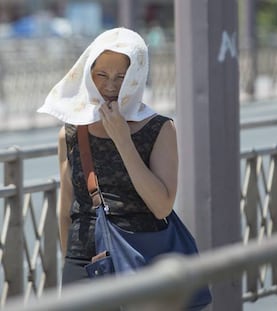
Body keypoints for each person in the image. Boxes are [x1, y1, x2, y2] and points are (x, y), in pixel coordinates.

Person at [37, 27, 178, 285]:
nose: (110, 86)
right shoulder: (70, 133)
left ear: (137, 75)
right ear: (88, 74)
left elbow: (162, 207)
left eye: (122, 76)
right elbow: (66, 207)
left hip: (141, 257)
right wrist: (71, 265)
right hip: (83, 261)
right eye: (101, 74)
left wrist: (123, 140)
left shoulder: (160, 129)